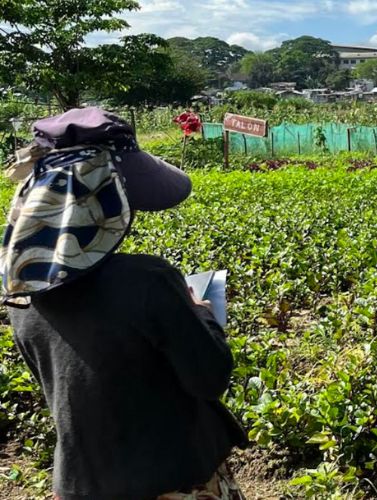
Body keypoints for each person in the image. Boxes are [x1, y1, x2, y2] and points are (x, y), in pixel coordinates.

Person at [2, 108, 248, 499]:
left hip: (82, 484)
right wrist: (200, 311)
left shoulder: (21, 293)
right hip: (174, 479)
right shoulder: (147, 280)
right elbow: (209, 377)